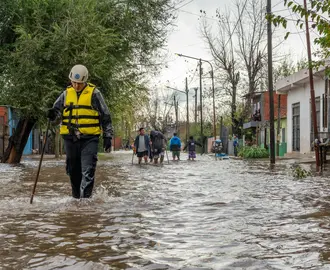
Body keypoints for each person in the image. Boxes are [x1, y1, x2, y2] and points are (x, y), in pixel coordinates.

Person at [46, 64, 113, 199]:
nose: (76, 86)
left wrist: (108, 136)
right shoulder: (65, 94)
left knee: (87, 171)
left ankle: (85, 205)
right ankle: (76, 200)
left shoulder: (95, 94)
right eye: (74, 83)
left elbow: (106, 116)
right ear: (71, 80)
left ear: (85, 81)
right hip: (70, 138)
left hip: (90, 138)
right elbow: (56, 118)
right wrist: (53, 115)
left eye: (80, 83)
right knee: (73, 171)